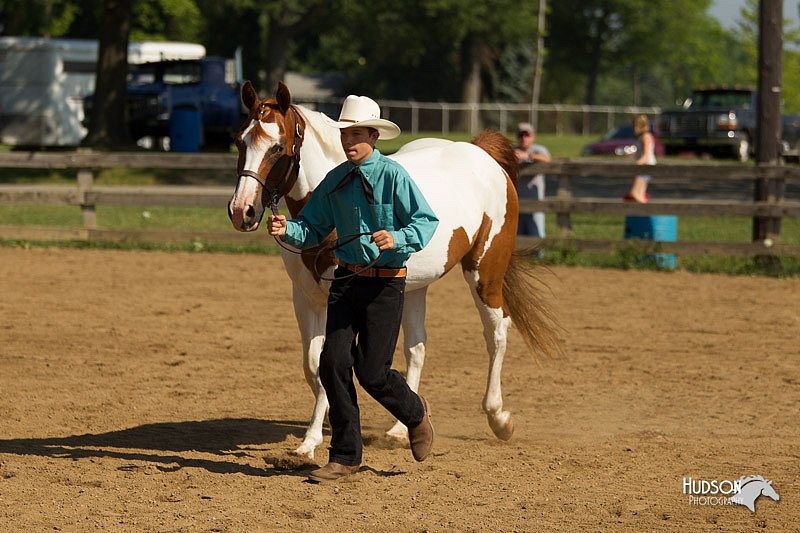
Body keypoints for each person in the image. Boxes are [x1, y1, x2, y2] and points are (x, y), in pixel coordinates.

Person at [268, 94, 439, 483]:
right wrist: (287, 230)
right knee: (332, 362)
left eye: (358, 134)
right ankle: (345, 456)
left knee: (372, 371)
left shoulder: (393, 175)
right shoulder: (336, 181)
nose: (350, 141)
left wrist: (397, 237)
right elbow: (310, 227)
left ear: (375, 136)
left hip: (384, 285)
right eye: (346, 134)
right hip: (345, 280)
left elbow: (425, 220)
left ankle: (415, 413)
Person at [513, 122, 550, 238]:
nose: (524, 138)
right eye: (521, 135)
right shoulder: (512, 151)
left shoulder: (539, 149)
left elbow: (548, 160)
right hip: (516, 204)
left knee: (537, 234)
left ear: (533, 136)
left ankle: (539, 256)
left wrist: (528, 156)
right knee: (516, 237)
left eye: (527, 135)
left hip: (536, 202)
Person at [625, 114, 656, 203]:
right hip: (644, 167)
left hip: (645, 167)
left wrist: (637, 164)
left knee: (634, 193)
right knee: (640, 194)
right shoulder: (642, 137)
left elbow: (646, 155)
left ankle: (648, 211)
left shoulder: (646, 136)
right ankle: (642, 213)